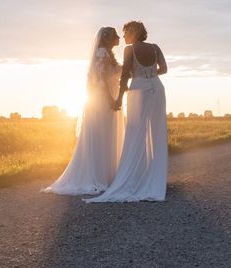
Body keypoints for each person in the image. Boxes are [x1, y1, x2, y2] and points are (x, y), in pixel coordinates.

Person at [85, 20, 168, 202]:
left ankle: (135, 177)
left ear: (134, 32)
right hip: (157, 88)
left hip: (138, 91)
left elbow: (124, 77)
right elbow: (164, 69)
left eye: (126, 32)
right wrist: (149, 74)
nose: (123, 36)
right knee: (157, 132)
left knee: (135, 131)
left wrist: (119, 98)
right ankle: (156, 178)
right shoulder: (155, 47)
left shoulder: (129, 50)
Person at [42, 27, 125, 195]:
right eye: (115, 35)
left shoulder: (106, 53)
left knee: (106, 134)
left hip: (108, 96)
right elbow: (100, 78)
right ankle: (97, 176)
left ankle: (106, 174)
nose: (119, 37)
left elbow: (112, 72)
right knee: (101, 134)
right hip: (102, 99)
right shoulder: (102, 52)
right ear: (108, 38)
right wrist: (110, 99)